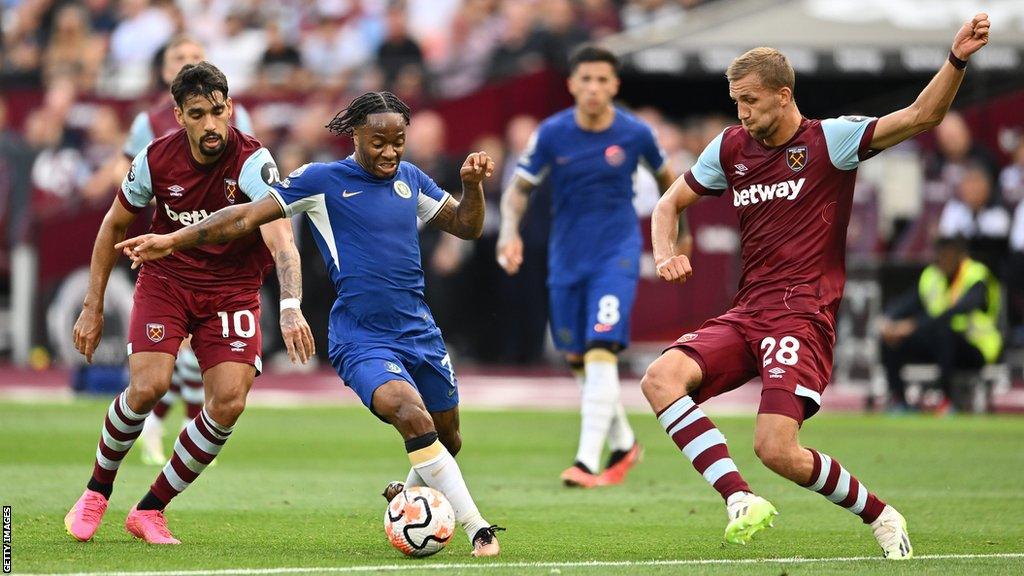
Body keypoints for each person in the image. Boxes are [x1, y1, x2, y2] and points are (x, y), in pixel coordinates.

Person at [641, 13, 990, 560]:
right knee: (661, 378)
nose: (742, 112)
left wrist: (956, 59)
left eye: (751, 100)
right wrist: (665, 254)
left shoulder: (832, 140)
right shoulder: (731, 147)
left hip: (802, 315)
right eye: (736, 101)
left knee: (775, 449)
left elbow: (924, 116)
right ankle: (739, 501)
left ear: (783, 95)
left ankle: (881, 515)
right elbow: (669, 204)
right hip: (749, 311)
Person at [115, 91, 504, 557]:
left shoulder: (411, 179)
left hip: (419, 331)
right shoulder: (322, 180)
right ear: (356, 135)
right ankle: (477, 528)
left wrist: (473, 187)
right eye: (378, 142)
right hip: (360, 335)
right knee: (409, 413)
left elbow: (466, 225)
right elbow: (243, 216)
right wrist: (173, 239)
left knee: (447, 439)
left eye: (398, 142)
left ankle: (405, 499)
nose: (389, 152)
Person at [64, 61, 314, 545]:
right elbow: (113, 225)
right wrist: (93, 306)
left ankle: (150, 509)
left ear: (231, 108)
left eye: (219, 111)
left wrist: (290, 305)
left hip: (232, 289)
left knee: (229, 402)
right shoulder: (155, 159)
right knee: (149, 387)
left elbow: (281, 237)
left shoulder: (253, 162)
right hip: (168, 281)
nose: (211, 124)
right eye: (198, 114)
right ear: (178, 115)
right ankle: (97, 491)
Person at [496, 44, 689, 488]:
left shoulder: (635, 133)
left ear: (615, 85)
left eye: (603, 80)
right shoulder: (551, 134)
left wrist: (683, 234)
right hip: (565, 259)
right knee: (578, 358)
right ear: (572, 84)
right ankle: (623, 443)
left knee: (601, 349)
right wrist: (509, 232)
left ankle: (586, 460)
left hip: (615, 255)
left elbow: (672, 184)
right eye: (586, 79)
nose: (594, 88)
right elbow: (518, 190)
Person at [83, 34, 257, 467]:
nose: (210, 122)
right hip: (168, 260)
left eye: (195, 55)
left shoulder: (241, 137)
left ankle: (175, 432)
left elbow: (251, 185)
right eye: (179, 57)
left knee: (211, 379)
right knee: (153, 378)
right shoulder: (149, 130)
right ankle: (154, 426)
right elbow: (126, 188)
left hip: (225, 268)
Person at [880, 236, 1002, 414]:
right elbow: (906, 303)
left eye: (948, 256)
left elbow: (956, 311)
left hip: (977, 348)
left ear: (961, 256)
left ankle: (946, 400)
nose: (943, 261)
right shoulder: (932, 276)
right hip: (941, 347)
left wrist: (912, 326)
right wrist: (888, 320)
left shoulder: (976, 275)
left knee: (944, 333)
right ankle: (899, 400)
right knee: (892, 338)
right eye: (940, 256)